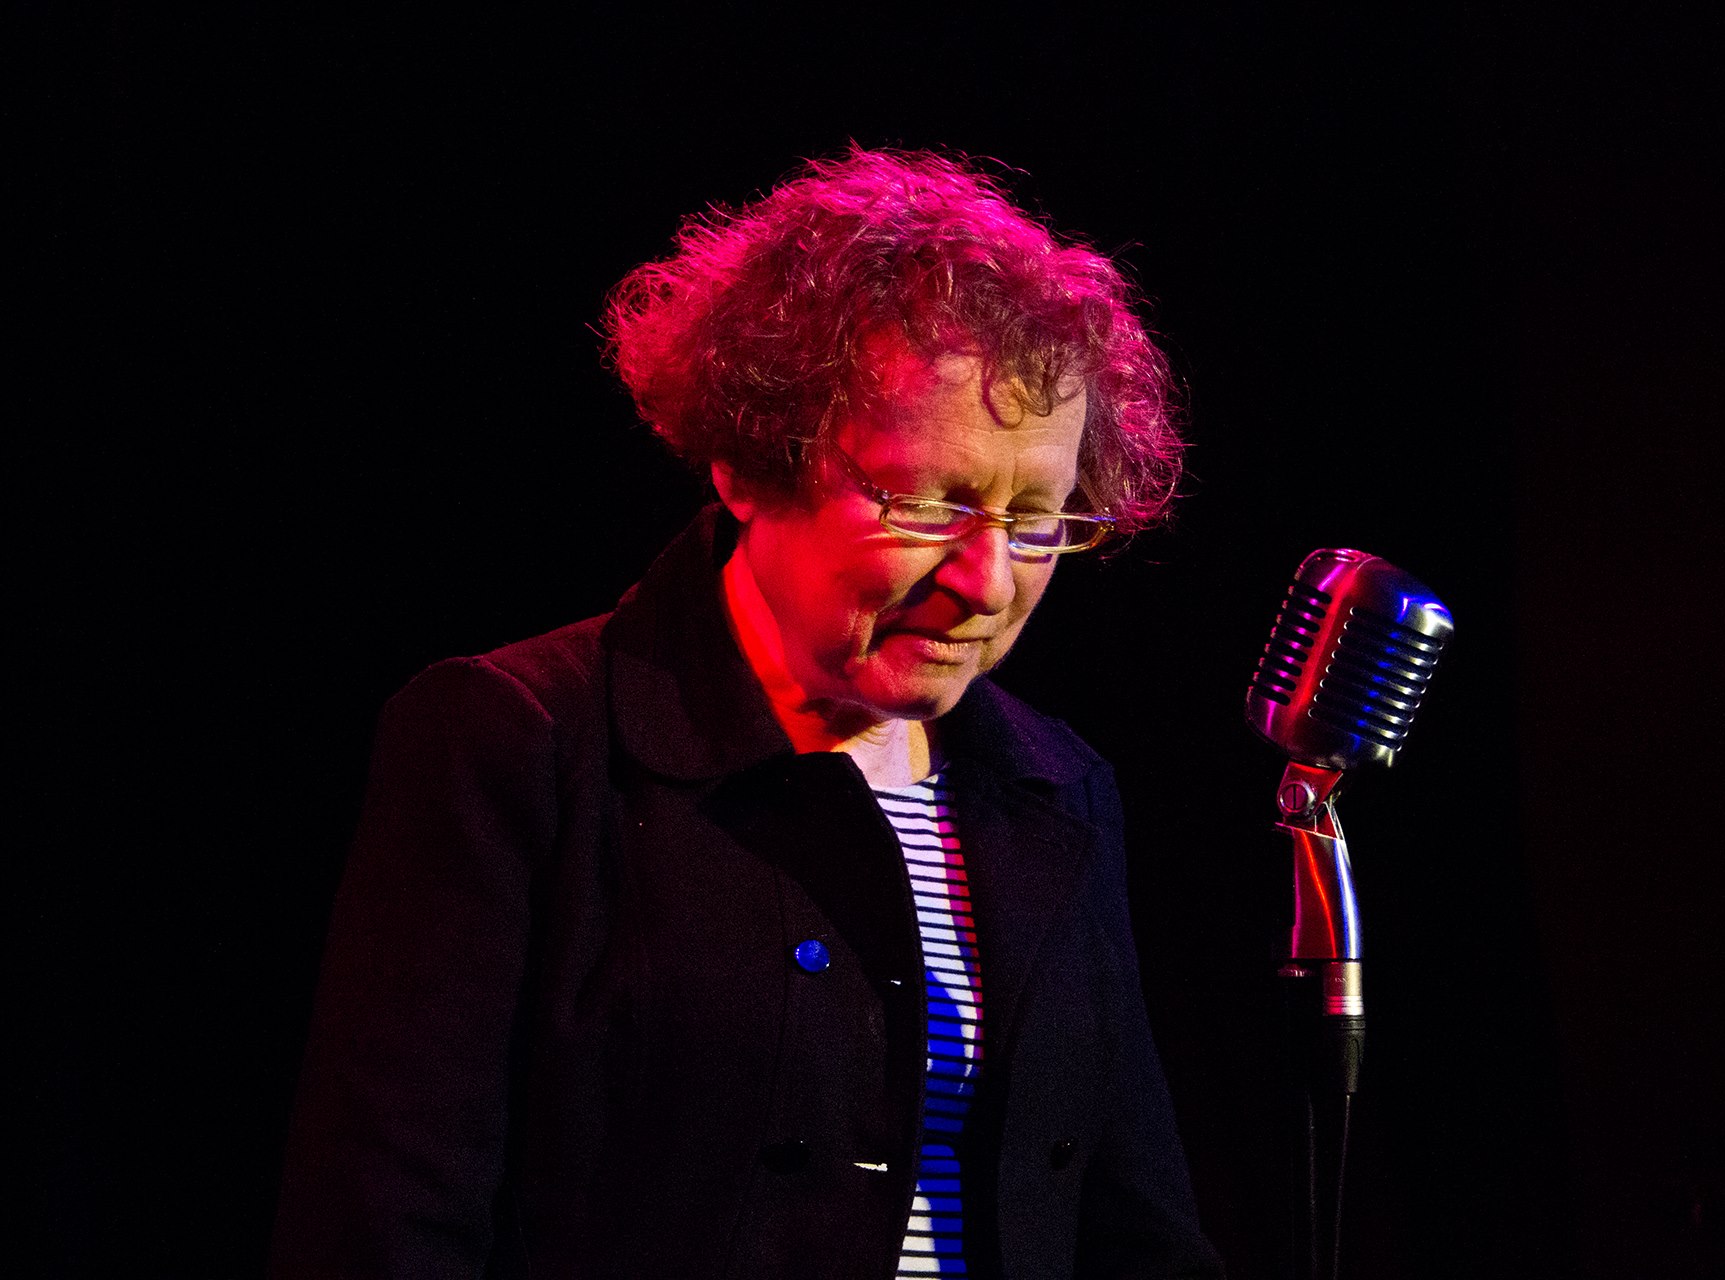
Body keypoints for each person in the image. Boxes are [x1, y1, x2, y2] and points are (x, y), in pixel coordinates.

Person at [272, 148, 1223, 1278]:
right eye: (928, 502)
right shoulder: (521, 741)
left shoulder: (1056, 789)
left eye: (1036, 520)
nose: (989, 579)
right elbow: (385, 1226)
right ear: (751, 464)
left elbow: (1138, 1228)